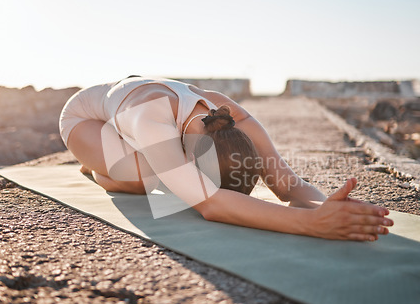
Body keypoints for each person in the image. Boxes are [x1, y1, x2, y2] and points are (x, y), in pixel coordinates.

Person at [59, 76, 393, 241]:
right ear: (190, 159)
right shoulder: (152, 121)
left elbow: (288, 185)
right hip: (84, 120)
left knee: (166, 175)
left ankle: (125, 159)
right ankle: (96, 168)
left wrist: (328, 207)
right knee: (141, 178)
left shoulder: (232, 117)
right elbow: (212, 205)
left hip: (134, 112)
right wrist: (312, 225)